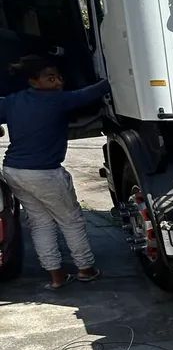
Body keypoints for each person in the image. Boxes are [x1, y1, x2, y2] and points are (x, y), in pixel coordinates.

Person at [0, 56, 110, 288]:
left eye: (59, 77)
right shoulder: (58, 100)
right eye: (50, 78)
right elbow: (94, 92)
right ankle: (85, 269)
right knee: (71, 221)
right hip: (44, 174)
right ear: (33, 81)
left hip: (13, 171)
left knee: (40, 223)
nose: (59, 82)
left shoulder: (11, 101)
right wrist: (118, 74)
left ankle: (56, 277)